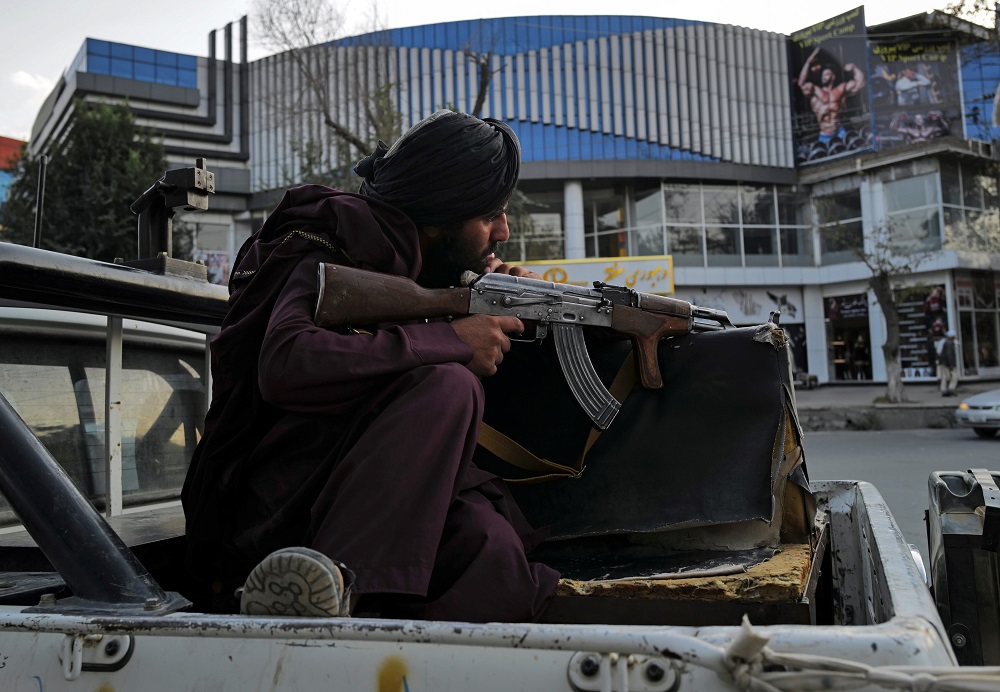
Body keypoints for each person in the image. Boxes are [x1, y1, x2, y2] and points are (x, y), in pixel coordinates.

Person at [181, 110, 560, 623]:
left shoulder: (420, 266)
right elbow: (286, 360)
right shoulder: (329, 250)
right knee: (449, 386)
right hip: (273, 509)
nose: (504, 231)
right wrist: (450, 339)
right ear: (438, 218)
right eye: (490, 215)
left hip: (360, 489)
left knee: (486, 545)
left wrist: (486, 299)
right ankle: (333, 594)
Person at [797, 46, 866, 145]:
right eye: (822, 75)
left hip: (840, 132)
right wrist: (808, 62)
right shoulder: (816, 91)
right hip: (824, 134)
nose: (823, 77)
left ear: (833, 76)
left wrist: (854, 68)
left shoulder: (839, 90)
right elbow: (801, 84)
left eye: (826, 74)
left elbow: (860, 83)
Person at [936, 330, 959, 397]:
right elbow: (949, 355)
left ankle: (944, 390)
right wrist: (951, 365)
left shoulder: (946, 342)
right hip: (948, 363)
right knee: (954, 377)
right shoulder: (950, 343)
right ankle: (951, 389)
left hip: (944, 363)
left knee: (945, 377)